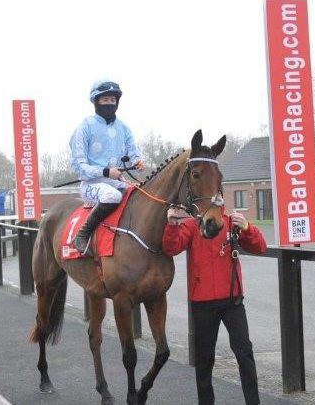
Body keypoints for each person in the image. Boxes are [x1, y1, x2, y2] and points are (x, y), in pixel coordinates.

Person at [162, 207, 267, 405]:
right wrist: (172, 225)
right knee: (204, 359)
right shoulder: (192, 224)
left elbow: (260, 247)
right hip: (203, 302)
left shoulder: (231, 222)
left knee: (244, 353)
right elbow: (171, 248)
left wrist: (247, 227)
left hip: (232, 300)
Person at [69, 79, 145, 254]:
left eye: (113, 100)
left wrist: (138, 161)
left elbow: (134, 152)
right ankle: (82, 234)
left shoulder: (124, 128)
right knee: (111, 196)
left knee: (140, 194)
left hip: (118, 181)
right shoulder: (85, 127)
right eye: (105, 100)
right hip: (91, 184)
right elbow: (79, 167)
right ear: (96, 102)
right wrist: (106, 171)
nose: (110, 104)